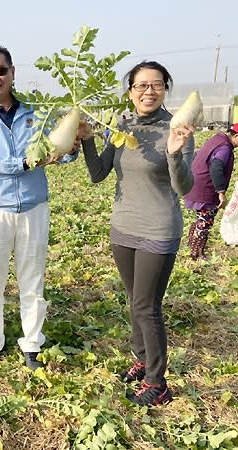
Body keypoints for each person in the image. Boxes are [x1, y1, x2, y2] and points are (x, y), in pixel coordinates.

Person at [78, 61, 195, 406]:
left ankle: (158, 383)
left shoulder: (177, 128)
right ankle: (142, 359)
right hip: (123, 229)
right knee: (136, 302)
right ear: (130, 91)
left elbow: (184, 187)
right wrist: (86, 141)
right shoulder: (121, 124)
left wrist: (174, 153)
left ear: (165, 89)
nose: (149, 91)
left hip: (158, 230)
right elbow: (99, 173)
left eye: (156, 85)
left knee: (147, 305)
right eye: (141, 85)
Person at [0, 46, 65, 370]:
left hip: (34, 206)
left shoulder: (38, 113)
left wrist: (70, 147)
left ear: (12, 72)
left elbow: (59, 152)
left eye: (0, 71)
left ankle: (32, 343)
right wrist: (23, 162)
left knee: (32, 279)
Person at [184, 123, 238, 259]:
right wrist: (221, 192)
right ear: (236, 136)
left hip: (195, 184)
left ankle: (191, 244)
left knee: (201, 218)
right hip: (205, 188)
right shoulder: (225, 148)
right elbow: (216, 167)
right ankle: (196, 253)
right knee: (205, 220)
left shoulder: (217, 139)